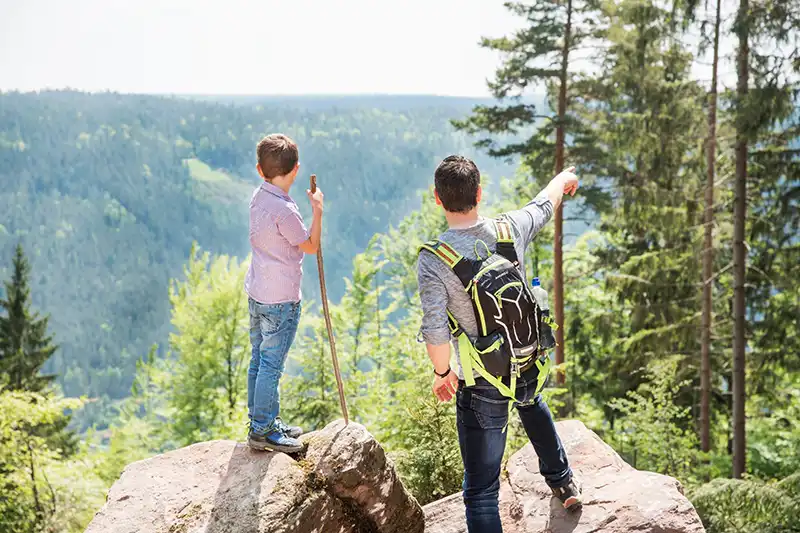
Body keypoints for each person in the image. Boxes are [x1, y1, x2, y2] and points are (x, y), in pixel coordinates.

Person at [416, 155, 582, 533]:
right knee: (530, 400)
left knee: (481, 493)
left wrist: (443, 372)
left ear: (438, 199)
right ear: (479, 192)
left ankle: (560, 479)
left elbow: (436, 329)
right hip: (527, 360)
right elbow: (543, 204)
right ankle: (563, 481)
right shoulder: (509, 229)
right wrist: (563, 178)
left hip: (483, 381)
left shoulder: (435, 259)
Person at [244, 133, 323, 453]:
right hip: (281, 300)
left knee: (258, 360)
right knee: (271, 365)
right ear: (296, 170)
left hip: (257, 292)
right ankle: (262, 429)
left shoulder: (257, 198)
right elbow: (310, 245)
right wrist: (318, 210)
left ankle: (260, 418)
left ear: (260, 171)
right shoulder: (286, 211)